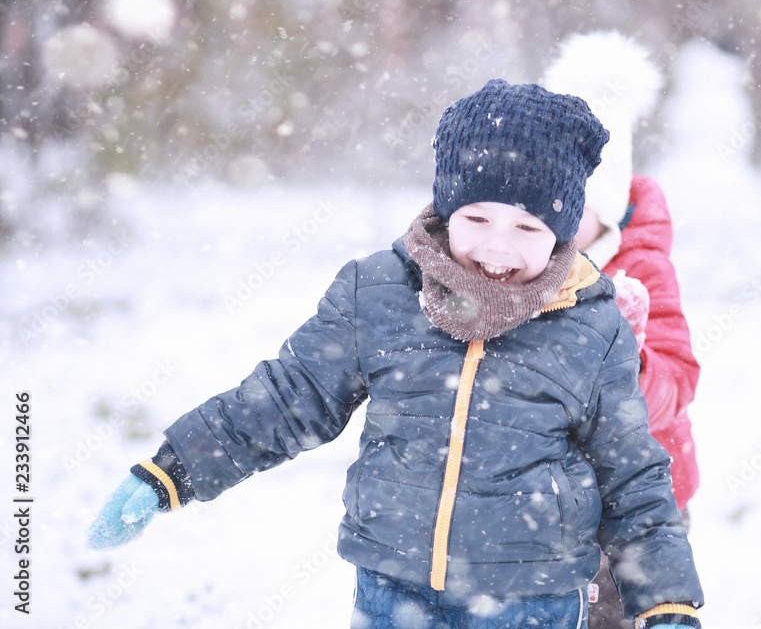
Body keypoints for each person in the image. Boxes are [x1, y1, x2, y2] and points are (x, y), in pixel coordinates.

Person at [87, 78, 703, 629]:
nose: (497, 247)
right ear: (445, 208)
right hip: (395, 588)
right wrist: (174, 469)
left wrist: (665, 600)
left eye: (527, 228)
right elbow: (289, 396)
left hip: (530, 600)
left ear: (564, 232)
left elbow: (633, 473)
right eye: (477, 217)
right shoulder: (380, 293)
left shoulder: (590, 324)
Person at [543, 33, 702, 629]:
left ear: (606, 206)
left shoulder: (640, 265)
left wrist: (632, 362)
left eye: (573, 206)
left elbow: (677, 383)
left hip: (638, 507)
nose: (551, 223)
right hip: (543, 506)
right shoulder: (517, 261)